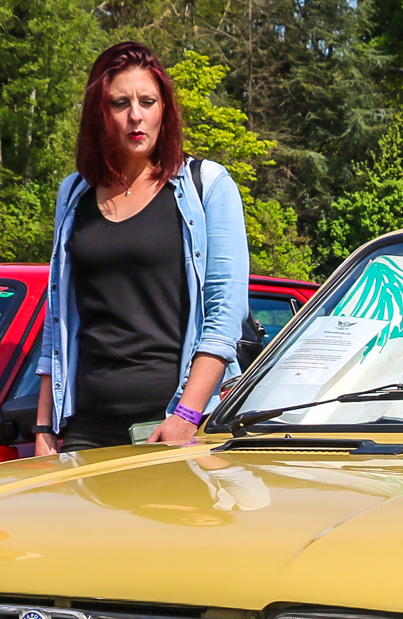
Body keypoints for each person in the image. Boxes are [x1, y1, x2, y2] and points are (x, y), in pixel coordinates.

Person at [35, 41, 249, 453]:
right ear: (101, 113)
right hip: (86, 427)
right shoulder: (74, 193)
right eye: (120, 103)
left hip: (173, 423)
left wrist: (186, 416)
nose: (136, 115)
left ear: (164, 109)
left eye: (147, 101)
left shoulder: (208, 186)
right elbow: (56, 315)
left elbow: (225, 314)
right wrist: (44, 427)